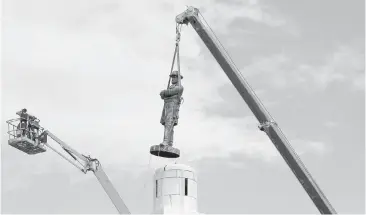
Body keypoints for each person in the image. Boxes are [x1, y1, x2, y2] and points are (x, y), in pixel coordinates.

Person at [160, 70, 184, 146]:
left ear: (178, 78)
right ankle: (169, 142)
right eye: (172, 77)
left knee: (169, 123)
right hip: (167, 106)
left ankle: (166, 141)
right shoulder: (170, 87)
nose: (172, 78)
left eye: (174, 77)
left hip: (173, 107)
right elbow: (162, 95)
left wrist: (165, 92)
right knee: (167, 124)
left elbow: (168, 93)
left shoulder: (180, 88)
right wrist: (165, 93)